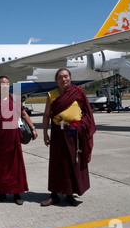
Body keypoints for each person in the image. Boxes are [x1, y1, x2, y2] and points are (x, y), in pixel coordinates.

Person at [41, 68, 96, 207]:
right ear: (56, 80)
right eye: (60, 77)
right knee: (56, 163)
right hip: (57, 132)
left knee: (73, 163)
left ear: (70, 78)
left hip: (74, 133)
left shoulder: (77, 92)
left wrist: (81, 125)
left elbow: (86, 113)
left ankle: (70, 194)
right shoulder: (52, 94)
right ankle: (54, 195)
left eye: (66, 76)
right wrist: (45, 133)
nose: (64, 79)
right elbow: (47, 114)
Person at [0, 76, 37, 205]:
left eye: (7, 83)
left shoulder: (15, 99)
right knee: (0, 166)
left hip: (13, 138)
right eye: (2, 83)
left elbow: (24, 114)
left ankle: (16, 193)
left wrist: (33, 128)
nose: (5, 85)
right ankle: (1, 192)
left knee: (15, 166)